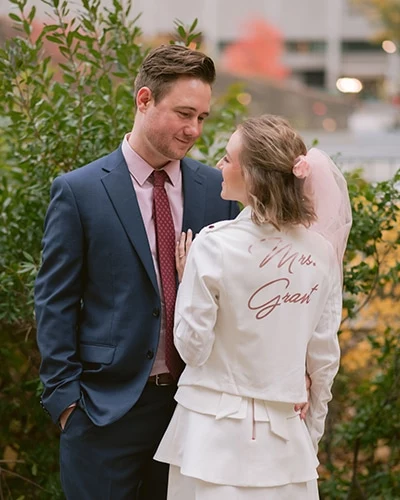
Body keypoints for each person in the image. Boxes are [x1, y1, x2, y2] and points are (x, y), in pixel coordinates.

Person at [34, 44, 240, 500]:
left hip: (195, 411)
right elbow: (54, 301)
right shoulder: (79, 191)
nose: (194, 130)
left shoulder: (218, 190)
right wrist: (67, 402)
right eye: (184, 113)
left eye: (202, 118)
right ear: (144, 100)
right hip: (104, 413)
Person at [154, 114, 352, 499]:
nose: (219, 167)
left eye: (228, 159)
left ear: (254, 176)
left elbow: (192, 349)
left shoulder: (212, 245)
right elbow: (324, 360)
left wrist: (186, 280)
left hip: (210, 438)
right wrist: (310, 435)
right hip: (286, 443)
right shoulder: (322, 254)